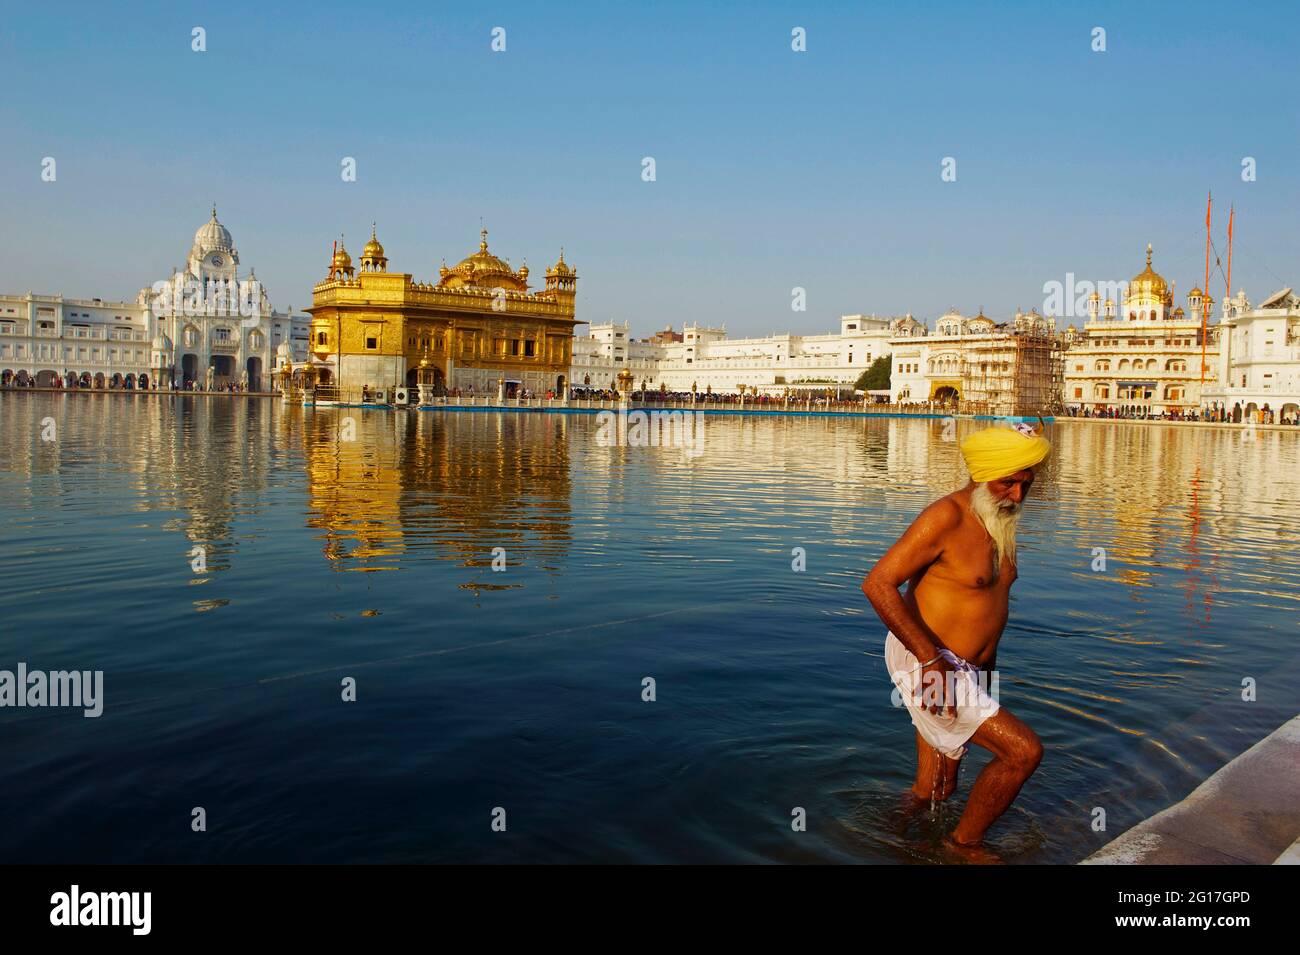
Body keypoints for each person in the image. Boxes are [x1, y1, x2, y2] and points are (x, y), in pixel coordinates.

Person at [863, 423, 1051, 855]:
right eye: (1008, 483)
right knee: (1022, 752)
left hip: (964, 669)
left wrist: (985, 673)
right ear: (982, 474)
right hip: (928, 661)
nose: (1018, 496)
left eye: (1026, 484)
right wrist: (931, 662)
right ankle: (962, 844)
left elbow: (988, 603)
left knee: (936, 789)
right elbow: (878, 584)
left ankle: (882, 840)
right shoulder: (946, 516)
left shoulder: (999, 519)